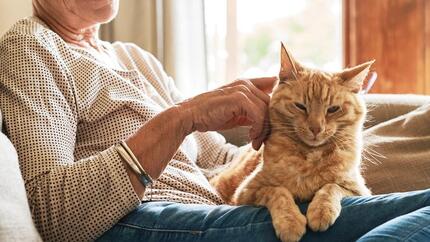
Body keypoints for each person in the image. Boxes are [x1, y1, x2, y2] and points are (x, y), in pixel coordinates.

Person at [0, 0, 429, 241]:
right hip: (151, 221)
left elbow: (222, 158)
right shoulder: (31, 49)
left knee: (416, 125)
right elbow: (55, 214)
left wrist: (292, 125)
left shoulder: (133, 57)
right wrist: (184, 116)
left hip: (216, 205)